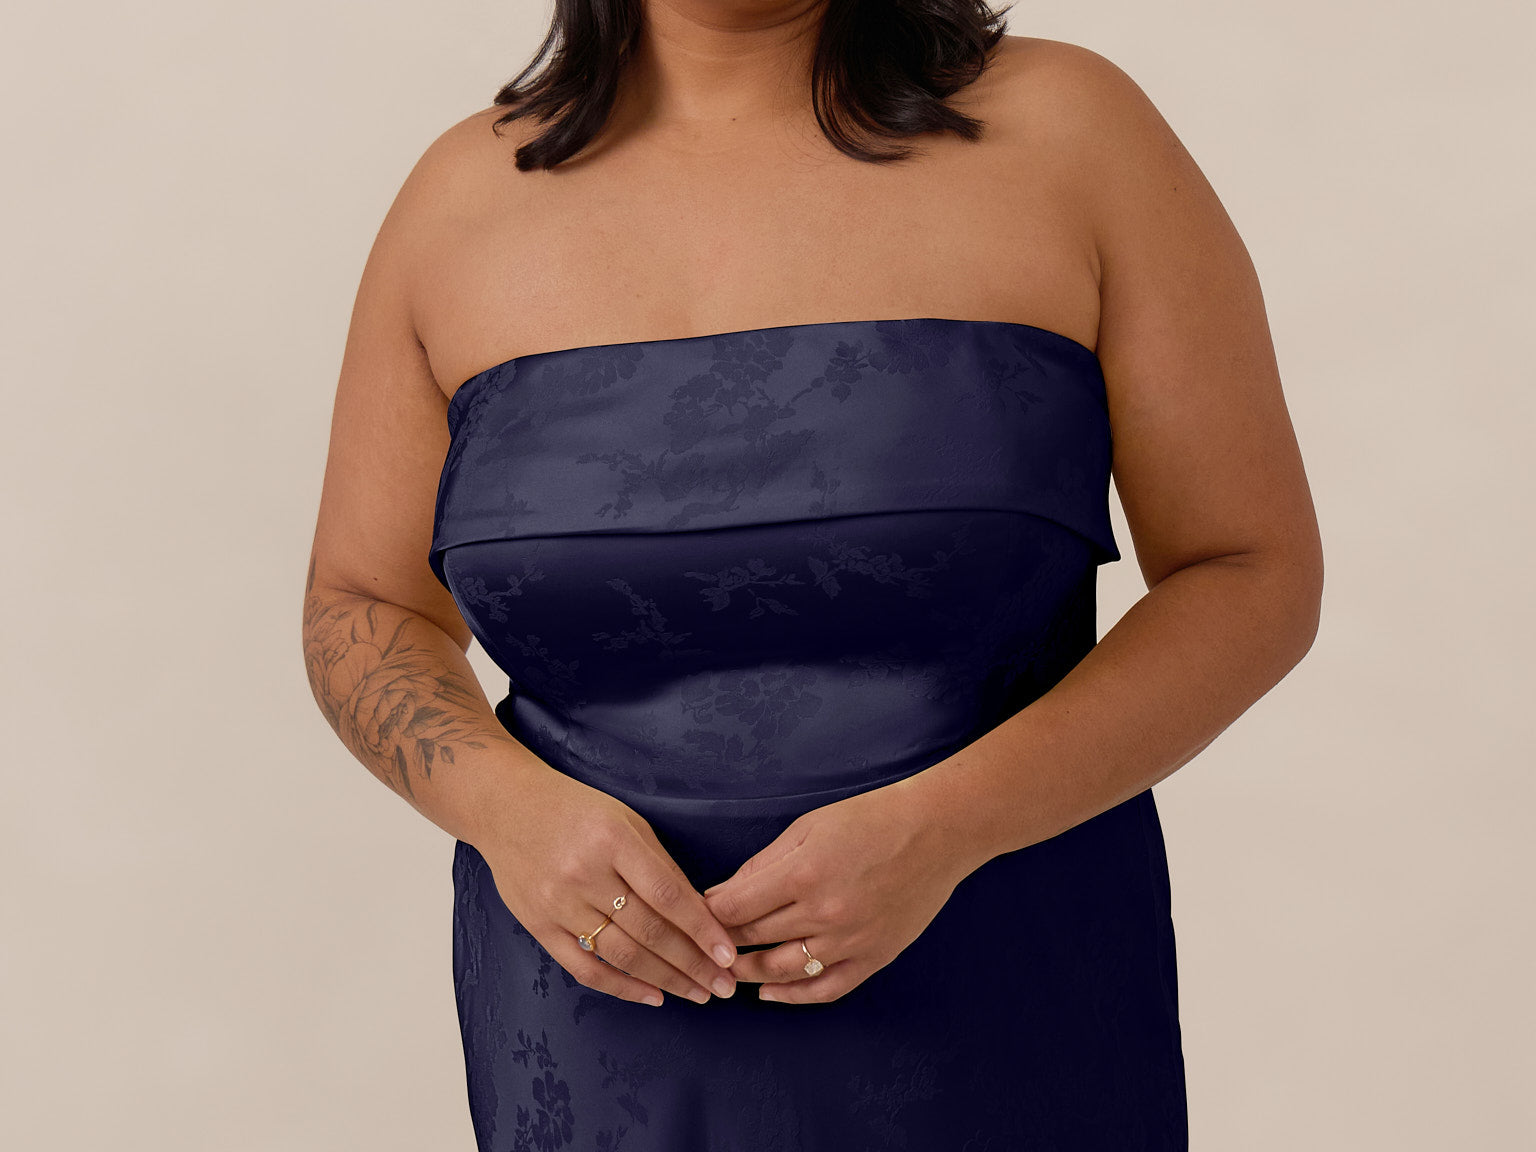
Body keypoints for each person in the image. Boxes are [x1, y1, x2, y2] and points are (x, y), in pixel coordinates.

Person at [301, 1, 1323, 1147]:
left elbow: (1249, 570)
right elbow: (362, 605)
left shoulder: (1073, 132)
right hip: (593, 1038)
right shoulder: (460, 200)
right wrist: (507, 813)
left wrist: (948, 828)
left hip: (1005, 1010)